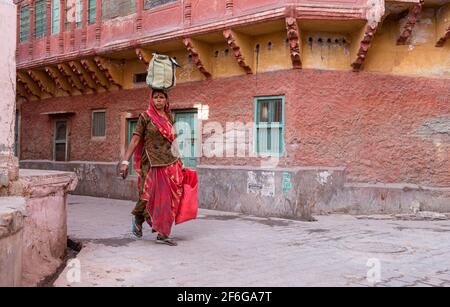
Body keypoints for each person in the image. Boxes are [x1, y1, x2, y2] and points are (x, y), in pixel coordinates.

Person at [120, 89, 183, 246]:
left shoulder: (169, 118)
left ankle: (163, 234)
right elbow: (135, 140)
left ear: (166, 100)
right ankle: (138, 217)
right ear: (151, 100)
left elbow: (173, 141)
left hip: (169, 161)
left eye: (162, 97)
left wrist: (179, 161)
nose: (158, 100)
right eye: (155, 97)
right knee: (149, 194)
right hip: (151, 162)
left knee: (167, 198)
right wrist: (125, 161)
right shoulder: (145, 117)